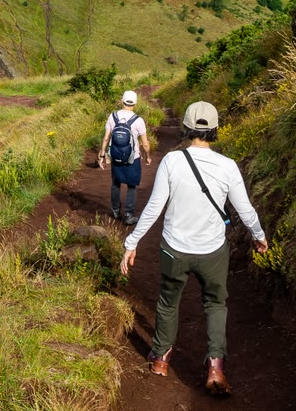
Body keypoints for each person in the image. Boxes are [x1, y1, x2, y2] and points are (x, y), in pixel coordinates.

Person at [120, 100, 267, 396]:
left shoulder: (172, 162)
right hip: (212, 251)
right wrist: (259, 235)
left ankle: (160, 359)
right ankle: (215, 366)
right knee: (215, 303)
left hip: (174, 248)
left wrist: (131, 242)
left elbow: (154, 207)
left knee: (168, 301)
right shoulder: (227, 166)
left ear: (187, 128)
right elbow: (245, 209)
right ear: (216, 128)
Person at [97, 90, 151, 225]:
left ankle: (115, 211)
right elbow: (145, 143)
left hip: (115, 156)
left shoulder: (113, 116)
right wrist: (147, 156)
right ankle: (128, 215)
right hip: (133, 158)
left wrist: (102, 155)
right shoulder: (138, 120)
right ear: (135, 103)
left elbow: (106, 138)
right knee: (132, 185)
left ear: (122, 101)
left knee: (115, 184)